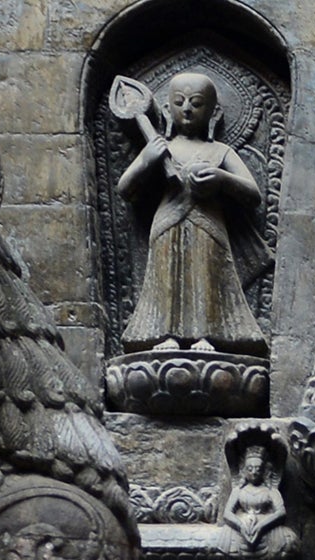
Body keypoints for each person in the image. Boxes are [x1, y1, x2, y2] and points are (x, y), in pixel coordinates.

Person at [117, 71, 269, 356]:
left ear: (214, 113)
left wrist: (222, 179)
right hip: (167, 225)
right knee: (166, 279)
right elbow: (125, 188)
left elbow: (253, 194)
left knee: (208, 278)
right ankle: (167, 333)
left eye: (197, 103)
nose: (187, 108)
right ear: (166, 109)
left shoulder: (220, 151)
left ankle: (208, 334)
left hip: (208, 228)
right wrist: (147, 159)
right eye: (179, 102)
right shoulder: (161, 148)